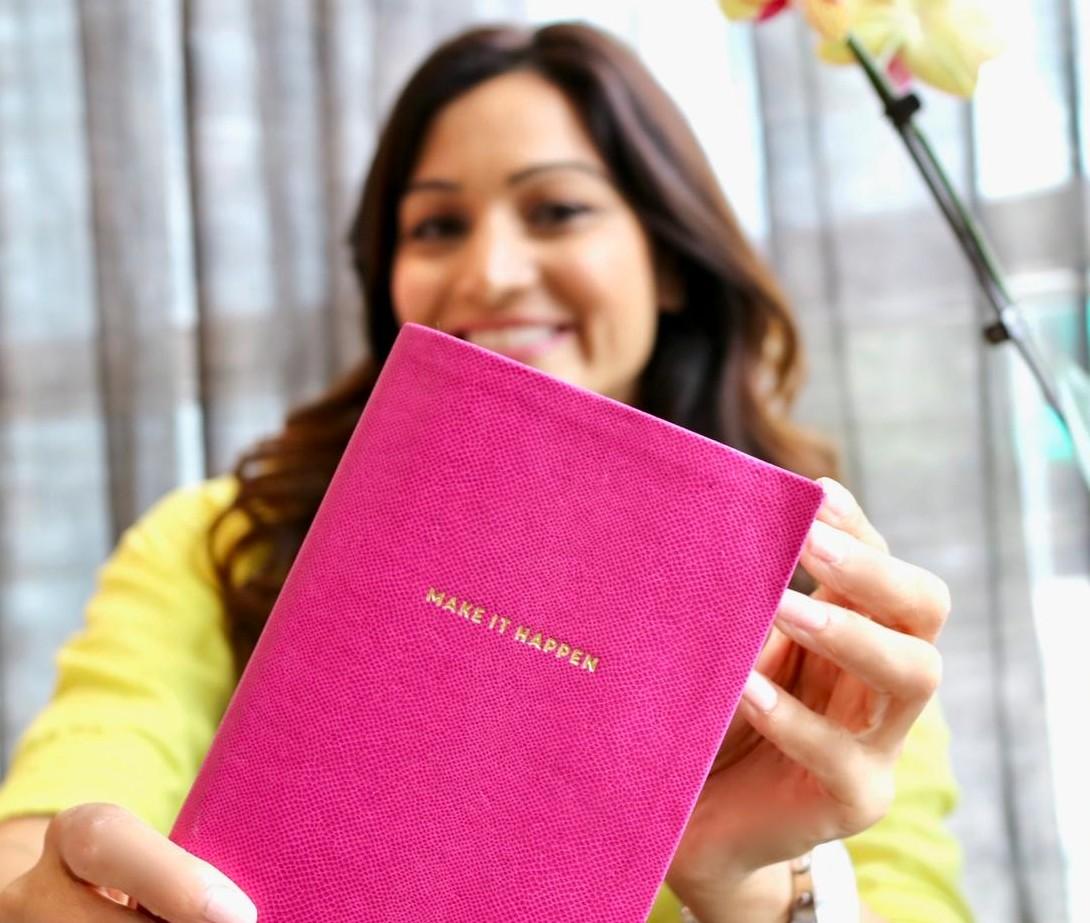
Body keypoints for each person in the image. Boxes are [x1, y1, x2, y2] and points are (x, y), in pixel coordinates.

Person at [0, 20, 971, 923]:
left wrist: (751, 881)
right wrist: (47, 886)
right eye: (435, 226)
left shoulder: (819, 619)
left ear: (670, 259)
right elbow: (66, 789)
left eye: (557, 210)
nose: (492, 271)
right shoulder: (219, 538)